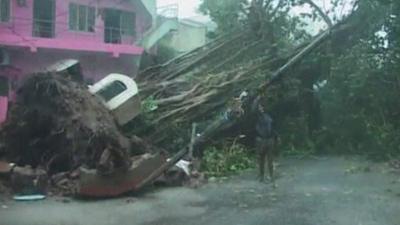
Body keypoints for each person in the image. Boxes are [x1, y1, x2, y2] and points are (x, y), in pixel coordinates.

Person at [250, 96, 278, 185]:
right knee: (261, 159)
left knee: (270, 160)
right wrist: (257, 98)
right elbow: (253, 109)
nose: (261, 108)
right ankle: (261, 176)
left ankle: (271, 176)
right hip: (260, 140)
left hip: (270, 140)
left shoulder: (269, 115)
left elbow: (274, 127)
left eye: (262, 107)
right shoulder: (257, 116)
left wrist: (276, 137)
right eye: (259, 107)